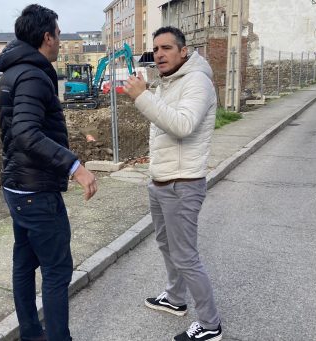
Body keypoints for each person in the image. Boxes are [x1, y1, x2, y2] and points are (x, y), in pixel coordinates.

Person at [0, 4, 98, 341]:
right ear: (47, 37)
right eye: (57, 33)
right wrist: (74, 166)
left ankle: (30, 333)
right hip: (36, 190)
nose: (58, 40)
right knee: (56, 269)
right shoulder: (33, 75)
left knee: (24, 263)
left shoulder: (14, 70)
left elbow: (17, 130)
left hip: (17, 185)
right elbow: (26, 133)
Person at [123, 26, 222, 341]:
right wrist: (150, 95)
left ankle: (210, 325)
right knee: (166, 245)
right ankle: (175, 298)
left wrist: (143, 97)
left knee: (185, 255)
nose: (159, 54)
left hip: (183, 183)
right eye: (155, 49)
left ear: (183, 51)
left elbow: (182, 125)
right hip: (161, 181)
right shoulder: (167, 82)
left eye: (166, 48)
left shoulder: (197, 81)